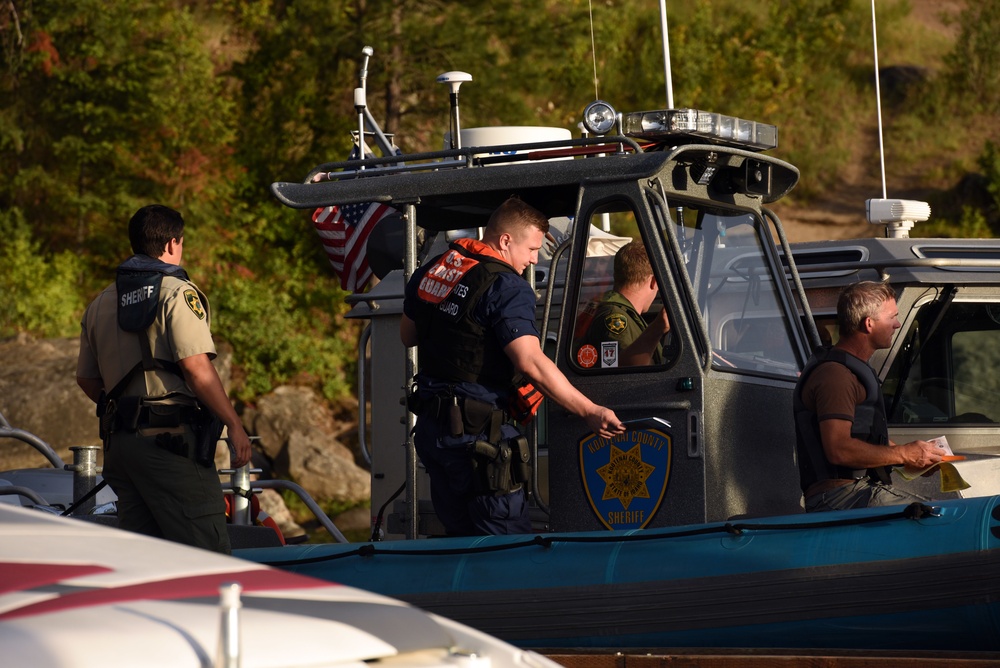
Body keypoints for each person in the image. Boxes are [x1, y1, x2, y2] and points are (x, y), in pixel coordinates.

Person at [400, 196, 626, 536]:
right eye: (532, 248)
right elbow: (530, 360)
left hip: (434, 432)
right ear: (505, 240)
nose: (534, 259)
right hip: (479, 439)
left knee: (458, 544)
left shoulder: (437, 269)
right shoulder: (506, 286)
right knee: (506, 545)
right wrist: (589, 410)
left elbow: (408, 335)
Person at [76, 204, 252, 553]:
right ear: (173, 244)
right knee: (208, 555)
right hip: (168, 445)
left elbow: (86, 379)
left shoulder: (100, 303)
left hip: (122, 448)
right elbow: (196, 367)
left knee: (145, 561)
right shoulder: (177, 292)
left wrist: (129, 409)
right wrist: (233, 424)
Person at [793, 280, 945, 512]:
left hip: (858, 491)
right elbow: (839, 449)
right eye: (892, 317)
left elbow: (862, 440)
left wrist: (912, 459)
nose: (898, 324)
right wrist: (903, 453)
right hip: (837, 497)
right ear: (869, 323)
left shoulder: (850, 372)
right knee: (935, 518)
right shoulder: (836, 375)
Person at [574, 240, 670, 368]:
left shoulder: (613, 311)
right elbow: (621, 370)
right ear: (654, 282)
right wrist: (657, 328)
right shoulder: (614, 317)